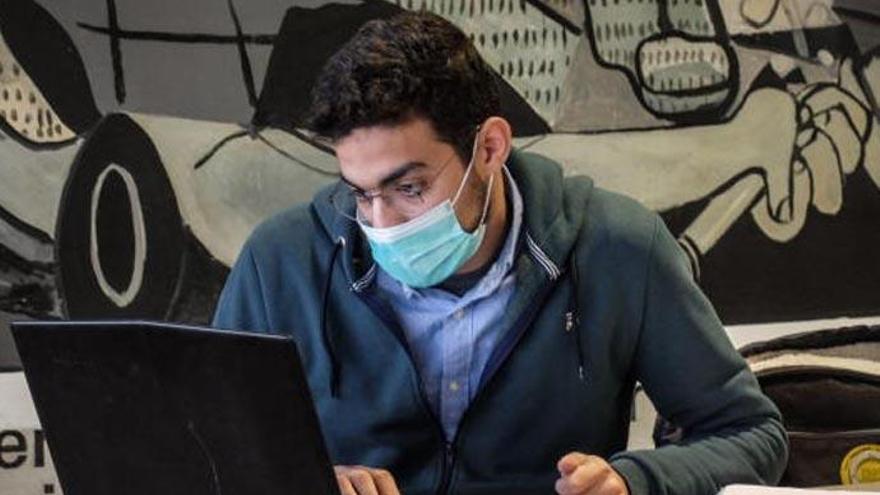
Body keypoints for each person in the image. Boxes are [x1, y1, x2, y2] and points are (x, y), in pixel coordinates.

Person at [212, 11, 788, 495]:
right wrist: (309, 482)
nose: (380, 223)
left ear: (489, 147)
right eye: (360, 194)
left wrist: (635, 480)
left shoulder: (620, 248)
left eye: (409, 189)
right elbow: (211, 453)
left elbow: (751, 434)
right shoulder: (279, 262)